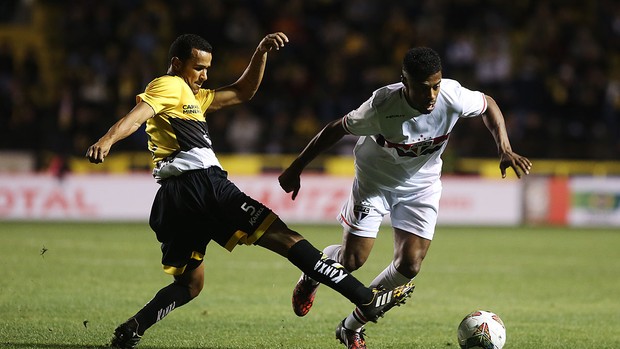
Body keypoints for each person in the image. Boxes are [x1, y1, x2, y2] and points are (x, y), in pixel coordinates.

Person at [85, 32, 415, 349]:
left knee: (190, 285)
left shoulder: (193, 98)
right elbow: (137, 116)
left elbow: (243, 92)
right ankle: (366, 299)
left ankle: (134, 327)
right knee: (286, 238)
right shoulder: (168, 85)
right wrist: (107, 139)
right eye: (198, 67)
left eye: (207, 69)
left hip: (173, 199)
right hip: (202, 184)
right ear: (176, 62)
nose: (203, 75)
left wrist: (260, 54)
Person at [278, 47, 532, 349]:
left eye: (436, 85)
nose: (432, 95)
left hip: (421, 185)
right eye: (424, 88)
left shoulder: (452, 95)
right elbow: (336, 129)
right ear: (405, 81)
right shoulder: (382, 105)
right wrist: (296, 168)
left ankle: (351, 328)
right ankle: (312, 273)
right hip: (375, 183)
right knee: (351, 260)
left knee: (410, 265)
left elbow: (488, 104)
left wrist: (504, 147)